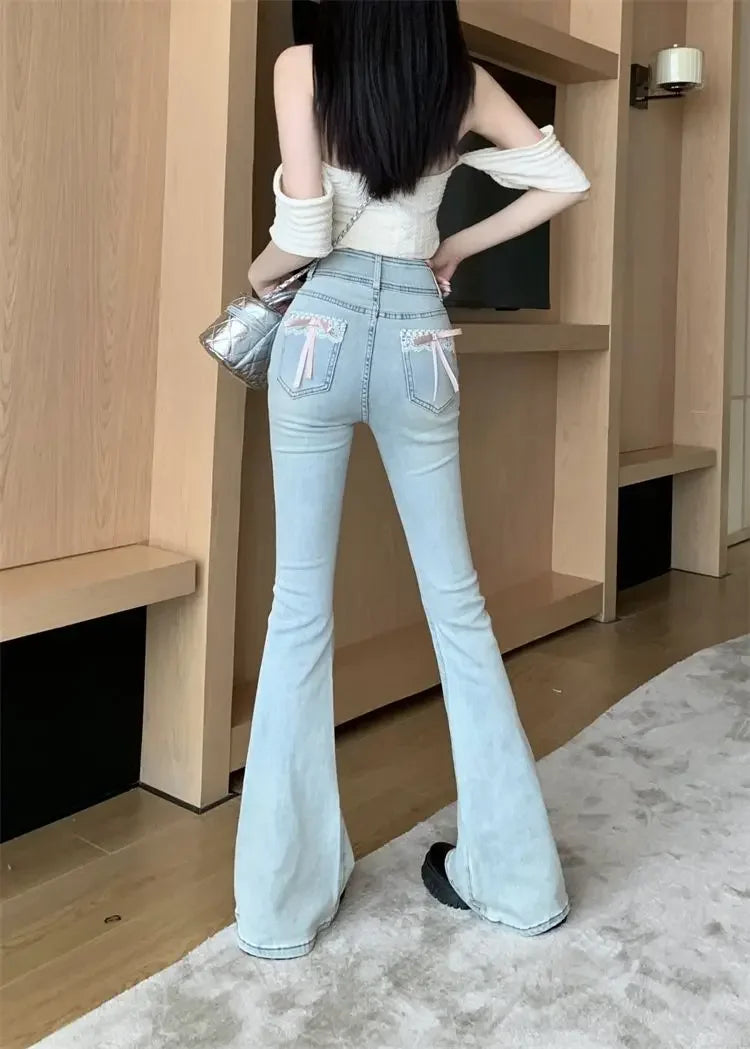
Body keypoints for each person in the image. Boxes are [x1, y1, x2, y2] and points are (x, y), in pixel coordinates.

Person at [235, 0, 590, 961]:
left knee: (298, 608)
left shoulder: (304, 67)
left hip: (320, 328)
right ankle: (517, 881)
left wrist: (257, 281)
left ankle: (281, 905)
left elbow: (305, 229)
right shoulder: (457, 81)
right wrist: (455, 247)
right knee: (458, 605)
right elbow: (564, 179)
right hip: (419, 344)